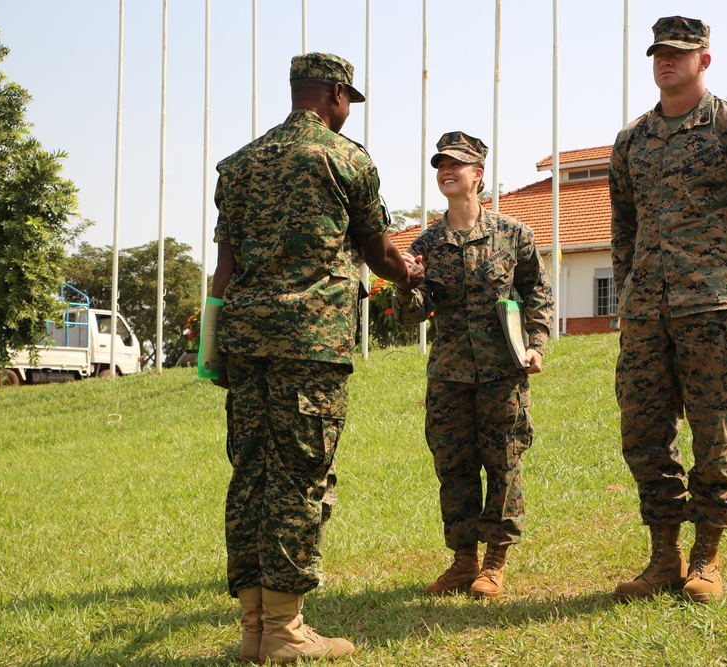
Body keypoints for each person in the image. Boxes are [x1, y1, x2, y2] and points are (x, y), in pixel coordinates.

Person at [210, 52, 424, 664]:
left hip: (246, 342)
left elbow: (223, 267)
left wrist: (213, 347)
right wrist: (407, 270)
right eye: (346, 101)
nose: (346, 112)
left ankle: (254, 628)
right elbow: (378, 252)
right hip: (310, 345)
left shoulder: (239, 163)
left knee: (250, 474)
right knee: (301, 479)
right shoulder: (346, 159)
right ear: (333, 94)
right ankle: (284, 630)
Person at [608, 17, 727, 603]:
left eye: (679, 54)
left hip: (709, 308)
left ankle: (707, 558)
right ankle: (663, 556)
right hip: (645, 315)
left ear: (704, 61)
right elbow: (623, 228)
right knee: (643, 433)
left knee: (713, 433)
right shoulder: (632, 140)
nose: (667, 61)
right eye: (659, 52)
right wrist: (628, 292)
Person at [393, 131, 553, 600]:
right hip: (449, 377)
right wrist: (406, 282)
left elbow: (538, 294)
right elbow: (414, 315)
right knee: (454, 468)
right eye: (441, 163)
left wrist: (537, 345)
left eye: (456, 164)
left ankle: (495, 563)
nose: (446, 170)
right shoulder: (427, 244)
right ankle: (463, 561)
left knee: (504, 464)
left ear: (477, 176)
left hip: (503, 373)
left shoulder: (514, 234)